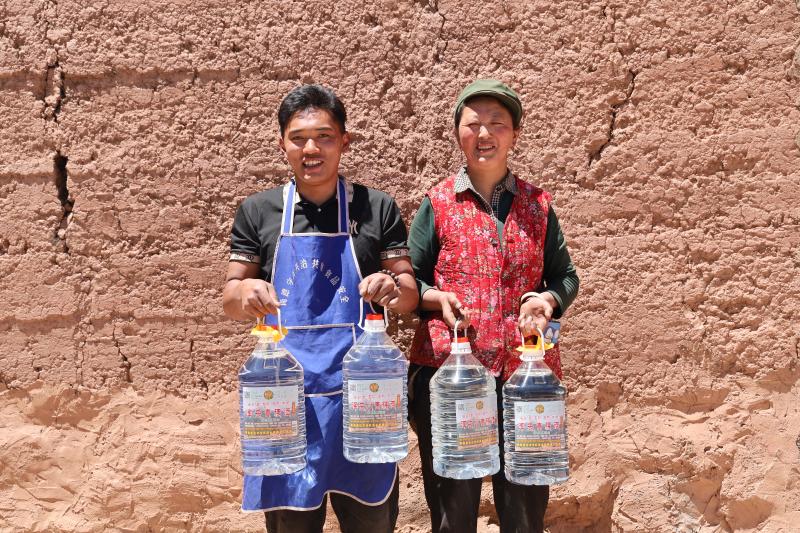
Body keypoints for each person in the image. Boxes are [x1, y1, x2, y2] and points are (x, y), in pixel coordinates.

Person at [223, 84, 418, 533]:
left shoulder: (376, 207)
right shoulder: (259, 211)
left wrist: (392, 286)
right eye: (298, 138)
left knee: (371, 520)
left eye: (324, 137)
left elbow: (409, 293)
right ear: (282, 145)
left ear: (344, 141)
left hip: (365, 396)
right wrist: (246, 291)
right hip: (283, 399)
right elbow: (230, 297)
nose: (311, 149)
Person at [407, 79, 580, 533]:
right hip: (454, 375)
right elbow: (409, 281)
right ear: (457, 133)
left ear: (515, 134)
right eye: (473, 124)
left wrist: (546, 298)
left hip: (527, 376)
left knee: (525, 510)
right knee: (454, 510)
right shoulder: (438, 203)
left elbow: (566, 277)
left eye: (497, 123)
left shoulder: (538, 205)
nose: (484, 134)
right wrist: (435, 297)